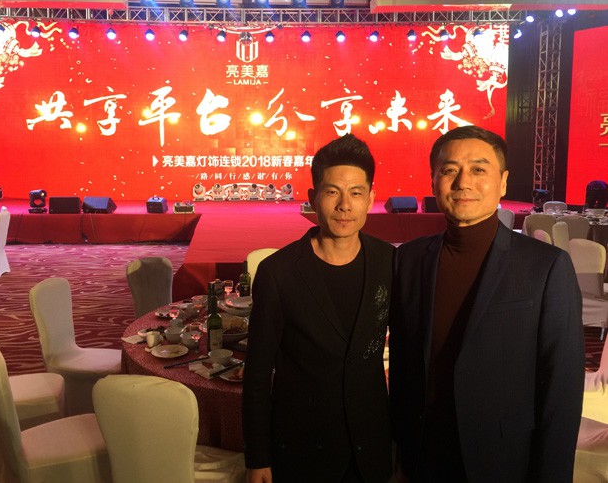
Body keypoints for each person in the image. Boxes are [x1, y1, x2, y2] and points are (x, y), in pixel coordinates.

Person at [389, 125, 584, 482]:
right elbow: (403, 364)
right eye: (449, 170)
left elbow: (562, 388)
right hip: (424, 455)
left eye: (479, 169)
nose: (463, 182)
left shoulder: (545, 266)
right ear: (434, 181)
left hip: (504, 458)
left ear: (503, 182)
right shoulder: (410, 259)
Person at [242, 134, 394, 483]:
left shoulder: (388, 261)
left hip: (371, 446)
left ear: (371, 199)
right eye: (332, 192)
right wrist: (258, 457)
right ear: (312, 198)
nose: (345, 205)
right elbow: (257, 372)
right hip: (303, 448)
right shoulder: (279, 272)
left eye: (356, 193)